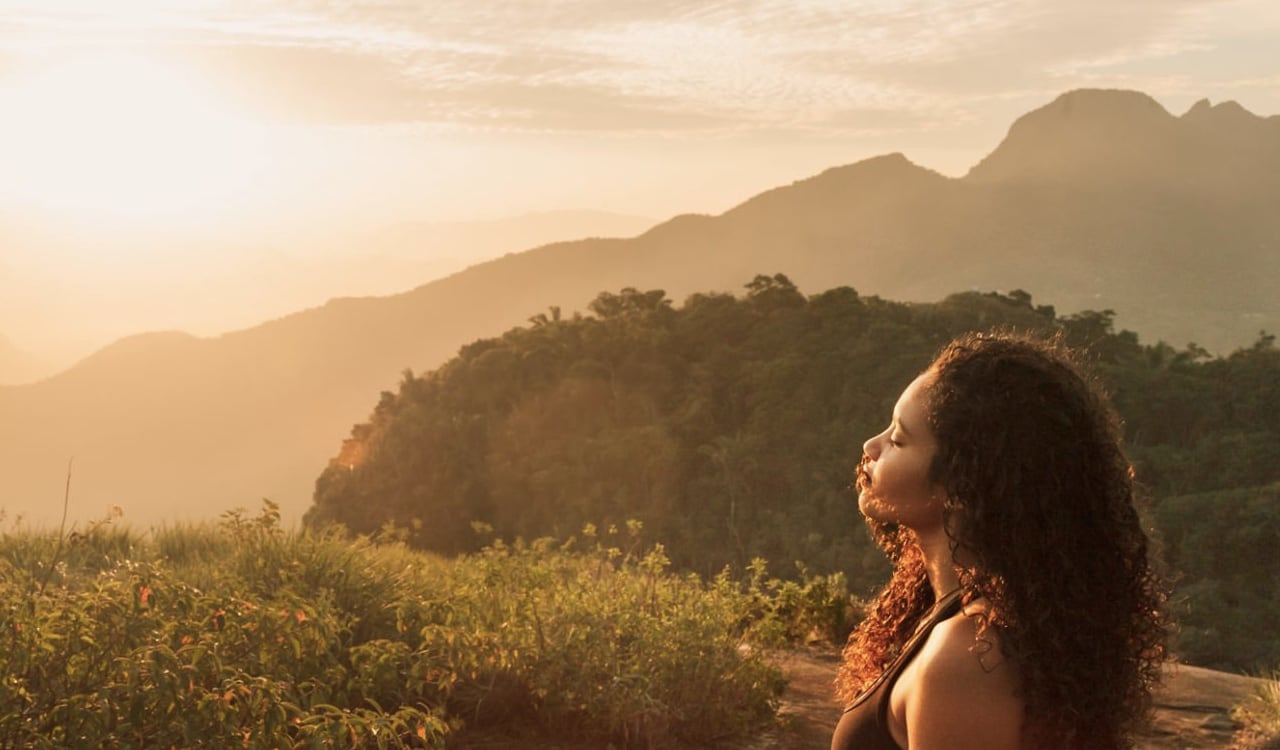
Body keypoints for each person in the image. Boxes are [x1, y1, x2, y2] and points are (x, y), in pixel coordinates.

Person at [831, 331, 1166, 750]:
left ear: (960, 482)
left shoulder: (970, 656)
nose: (871, 446)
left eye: (898, 439)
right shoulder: (966, 619)